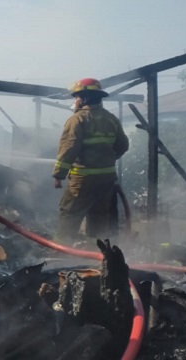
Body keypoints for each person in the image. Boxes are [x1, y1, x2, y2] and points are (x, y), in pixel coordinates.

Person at [53, 78, 129, 242]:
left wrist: (59, 175)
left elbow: (69, 148)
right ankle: (97, 249)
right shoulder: (111, 119)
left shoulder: (78, 119)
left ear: (84, 98)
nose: (75, 100)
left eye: (77, 97)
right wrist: (106, 159)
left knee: (70, 213)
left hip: (83, 178)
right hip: (107, 178)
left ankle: (61, 251)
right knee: (100, 215)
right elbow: (123, 145)